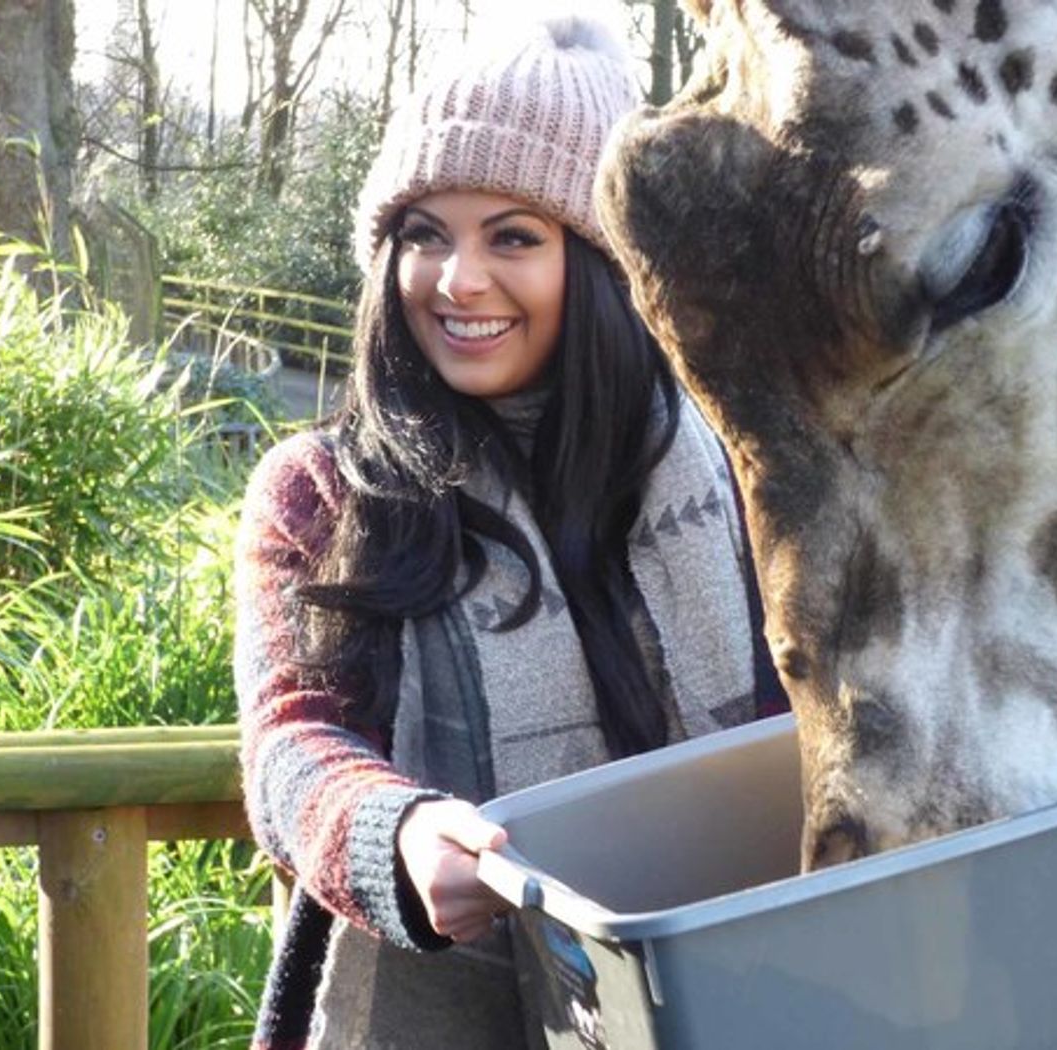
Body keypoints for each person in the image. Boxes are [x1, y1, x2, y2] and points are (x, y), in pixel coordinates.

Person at [233, 14, 786, 1049]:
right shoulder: (321, 492)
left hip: (729, 997)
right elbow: (289, 748)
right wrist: (393, 835)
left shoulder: (734, 471)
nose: (458, 280)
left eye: (513, 236)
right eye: (424, 234)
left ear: (606, 260)